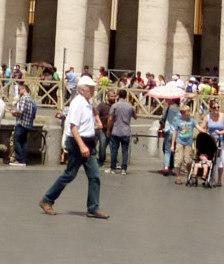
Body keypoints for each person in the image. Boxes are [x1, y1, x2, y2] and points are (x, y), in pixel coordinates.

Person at [41, 74, 107, 218]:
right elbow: (73, 127)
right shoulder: (77, 103)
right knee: (69, 174)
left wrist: (95, 117)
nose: (93, 90)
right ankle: (47, 200)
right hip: (78, 142)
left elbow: (92, 116)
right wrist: (82, 146)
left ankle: (93, 207)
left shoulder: (87, 102)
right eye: (91, 88)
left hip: (88, 142)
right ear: (82, 90)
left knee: (94, 176)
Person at [107, 90, 135, 174]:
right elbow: (135, 116)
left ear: (118, 96)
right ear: (126, 96)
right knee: (125, 150)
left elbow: (110, 119)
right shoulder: (130, 106)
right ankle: (124, 169)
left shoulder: (115, 106)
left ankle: (113, 168)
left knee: (114, 150)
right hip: (126, 131)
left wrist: (108, 130)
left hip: (116, 130)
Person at [11, 82, 38, 166]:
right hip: (28, 123)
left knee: (16, 140)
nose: (19, 92)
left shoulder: (23, 98)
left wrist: (13, 112)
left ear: (23, 89)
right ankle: (24, 159)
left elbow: (20, 111)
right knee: (24, 142)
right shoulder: (31, 99)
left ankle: (20, 159)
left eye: (20, 90)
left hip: (21, 123)